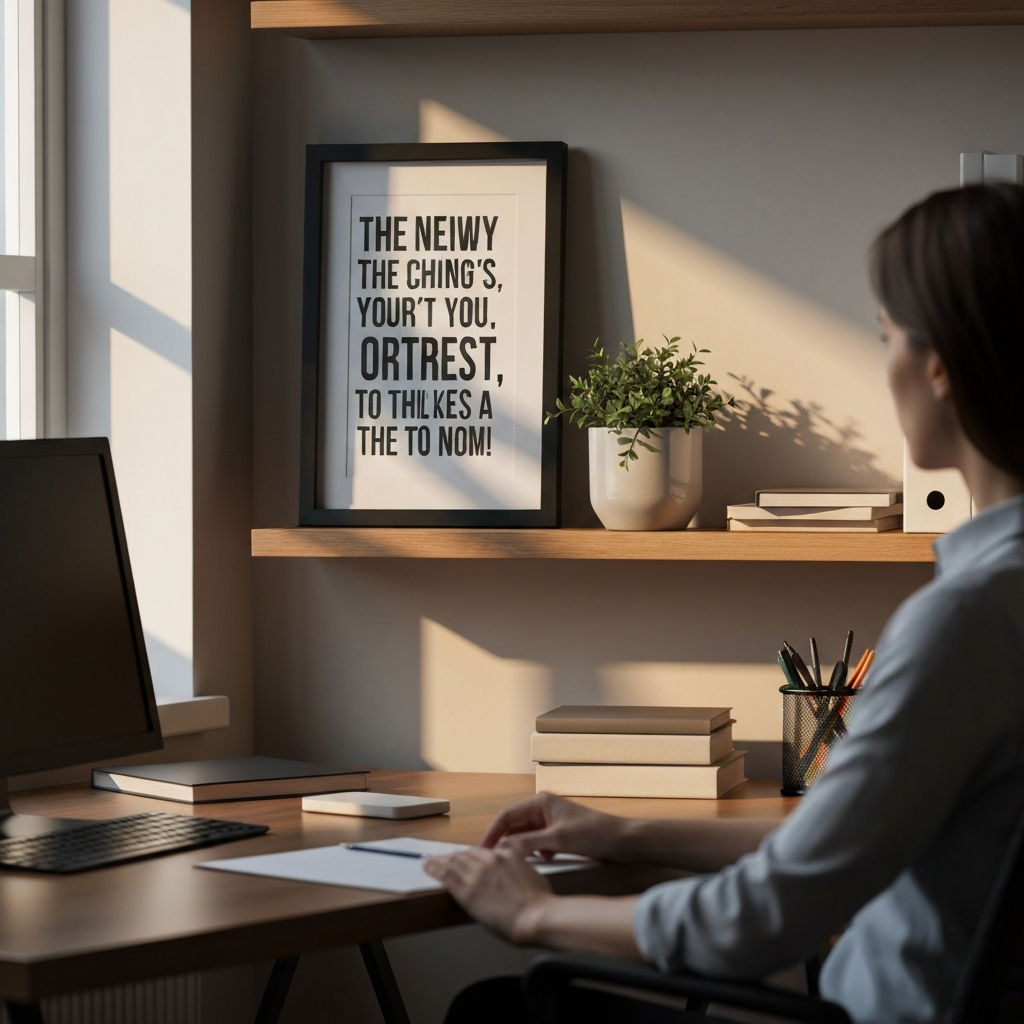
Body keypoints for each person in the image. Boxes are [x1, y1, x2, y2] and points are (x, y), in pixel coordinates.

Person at [424, 183, 1024, 1024]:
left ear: (938, 367)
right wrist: (624, 835)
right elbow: (847, 839)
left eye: (886, 337)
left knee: (502, 1011)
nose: (882, 364)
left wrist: (535, 914)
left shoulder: (968, 618)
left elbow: (769, 917)